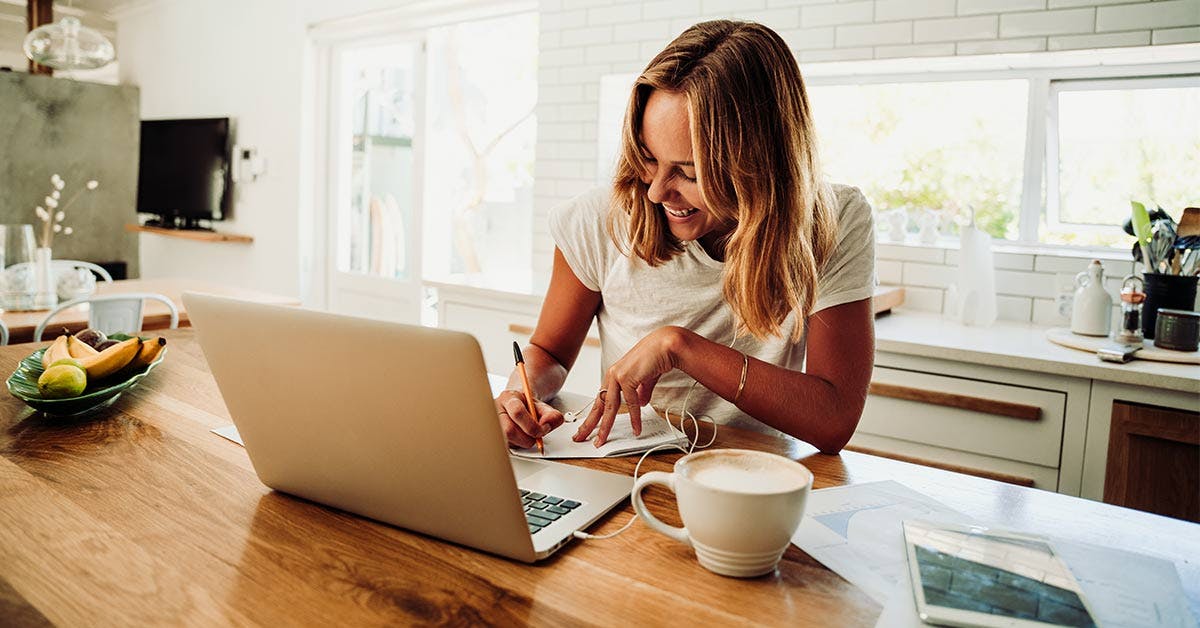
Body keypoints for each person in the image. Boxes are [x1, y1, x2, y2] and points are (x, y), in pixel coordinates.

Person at [495, 20, 875, 454]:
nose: (656, 192)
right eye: (648, 158)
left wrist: (680, 347)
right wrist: (519, 395)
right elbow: (548, 352)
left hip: (756, 476)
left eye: (689, 173)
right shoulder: (596, 220)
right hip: (625, 467)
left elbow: (833, 421)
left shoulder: (832, 220)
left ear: (760, 164)